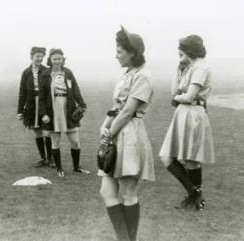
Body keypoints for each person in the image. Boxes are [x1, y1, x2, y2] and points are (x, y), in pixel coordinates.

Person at [99, 26, 155, 241]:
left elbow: (128, 111)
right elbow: (116, 106)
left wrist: (109, 134)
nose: (116, 55)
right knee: (106, 191)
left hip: (130, 135)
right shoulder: (127, 75)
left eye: (120, 51)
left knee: (128, 192)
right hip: (115, 134)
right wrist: (104, 126)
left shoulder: (144, 76)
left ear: (133, 53)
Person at [159, 35, 215, 211]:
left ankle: (194, 199)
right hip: (183, 113)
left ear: (189, 50)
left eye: (181, 53)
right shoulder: (189, 67)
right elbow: (174, 91)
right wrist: (178, 68)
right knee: (166, 157)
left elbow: (189, 96)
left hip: (193, 113)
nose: (179, 56)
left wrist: (176, 98)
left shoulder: (202, 67)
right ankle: (195, 194)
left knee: (191, 161)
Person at [38, 48, 89, 177]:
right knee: (55, 141)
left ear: (63, 59)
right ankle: (59, 169)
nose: (57, 61)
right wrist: (43, 114)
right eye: (54, 59)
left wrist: (82, 104)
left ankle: (76, 167)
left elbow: (76, 89)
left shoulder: (68, 72)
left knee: (75, 141)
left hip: (69, 108)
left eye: (59, 59)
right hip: (53, 110)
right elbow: (42, 97)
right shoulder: (44, 75)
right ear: (50, 60)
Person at [17, 47, 54, 168]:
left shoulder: (47, 71)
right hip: (32, 106)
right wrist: (20, 111)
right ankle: (43, 158)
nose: (40, 58)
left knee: (47, 132)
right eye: (37, 56)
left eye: (41, 56)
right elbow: (22, 92)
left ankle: (51, 159)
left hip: (45, 104)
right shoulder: (26, 72)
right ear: (31, 57)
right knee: (38, 133)